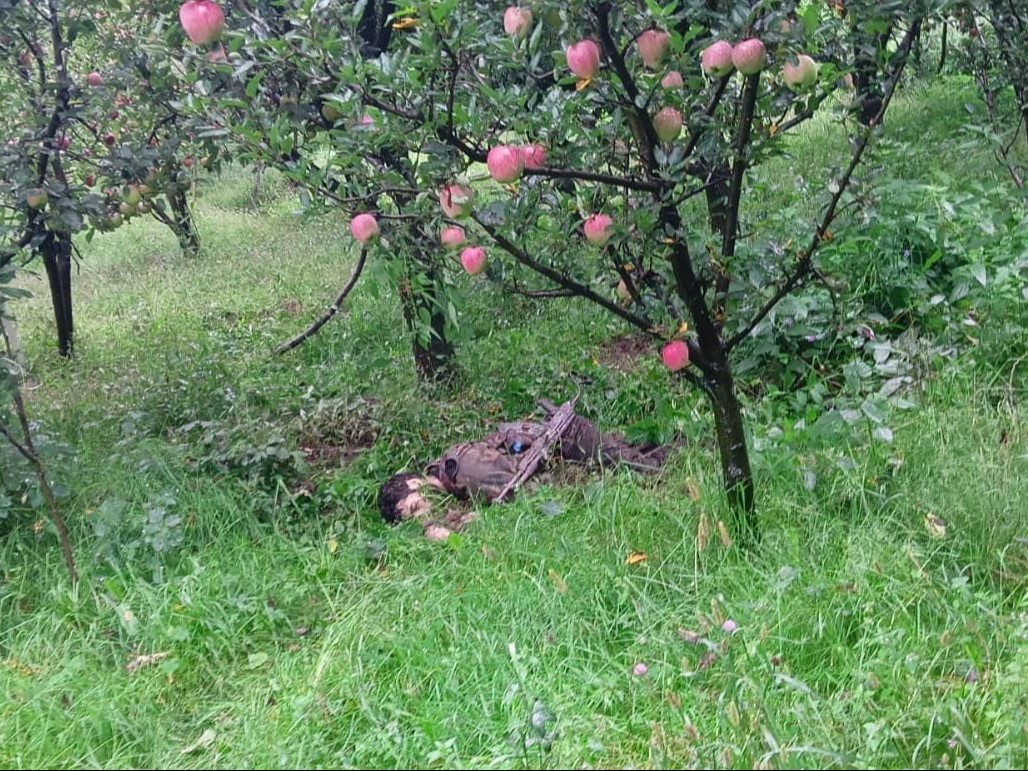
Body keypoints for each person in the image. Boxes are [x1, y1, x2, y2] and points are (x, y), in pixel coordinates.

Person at [377, 400, 680, 539]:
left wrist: (459, 526)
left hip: (569, 442)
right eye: (415, 517)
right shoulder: (454, 485)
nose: (425, 513)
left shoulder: (464, 470)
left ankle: (690, 445)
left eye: (418, 506)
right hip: (563, 456)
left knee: (649, 470)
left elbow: (522, 497)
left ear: (419, 481)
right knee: (637, 457)